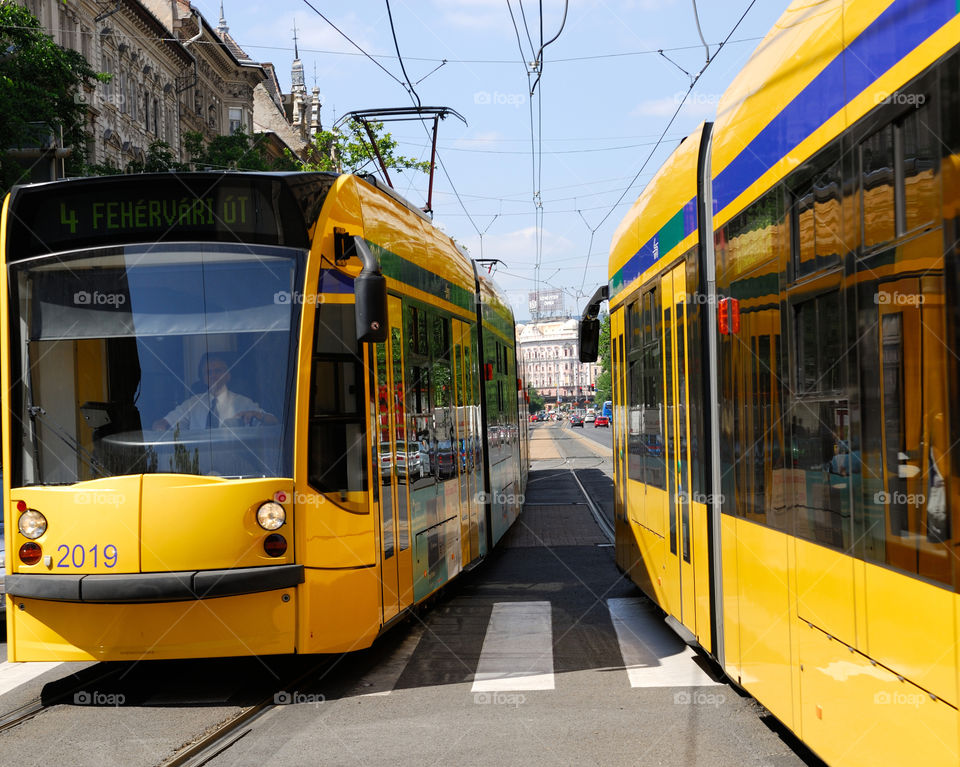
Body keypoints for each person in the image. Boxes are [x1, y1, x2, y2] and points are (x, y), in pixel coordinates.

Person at [152, 353, 277, 431]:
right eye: (208, 372)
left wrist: (256, 415)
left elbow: (274, 423)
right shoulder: (192, 403)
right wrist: (160, 429)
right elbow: (163, 423)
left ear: (228, 375)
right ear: (203, 378)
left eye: (218, 371)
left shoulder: (243, 402)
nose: (213, 376)